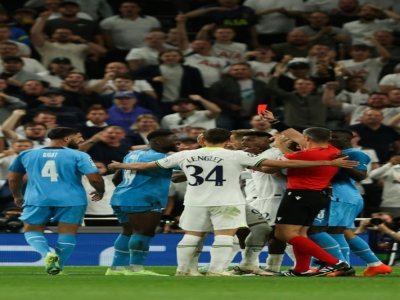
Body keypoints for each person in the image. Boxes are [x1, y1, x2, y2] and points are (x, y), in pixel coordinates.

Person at [108, 128, 356, 276]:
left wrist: (120, 165)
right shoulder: (237, 154)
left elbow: (145, 165)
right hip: (227, 200)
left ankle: (185, 271)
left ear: (203, 139)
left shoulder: (184, 154)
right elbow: (281, 164)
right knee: (225, 237)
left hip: (195, 201)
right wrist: (326, 163)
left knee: (192, 236)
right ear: (227, 140)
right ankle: (217, 270)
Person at [7, 127, 105, 275]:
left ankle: (47, 254)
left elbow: (14, 178)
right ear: (67, 139)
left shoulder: (27, 154)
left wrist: (17, 196)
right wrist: (100, 190)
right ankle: (58, 266)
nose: (82, 140)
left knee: (32, 230)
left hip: (37, 198)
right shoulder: (79, 155)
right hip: (71, 200)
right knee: (67, 233)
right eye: (78, 137)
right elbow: (95, 178)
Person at [105, 129, 177, 276]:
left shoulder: (132, 154)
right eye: (172, 138)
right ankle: (136, 268)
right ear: (158, 141)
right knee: (144, 232)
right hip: (144, 199)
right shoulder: (161, 157)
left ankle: (116, 268)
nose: (177, 141)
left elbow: (116, 178)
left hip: (121, 198)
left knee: (128, 232)